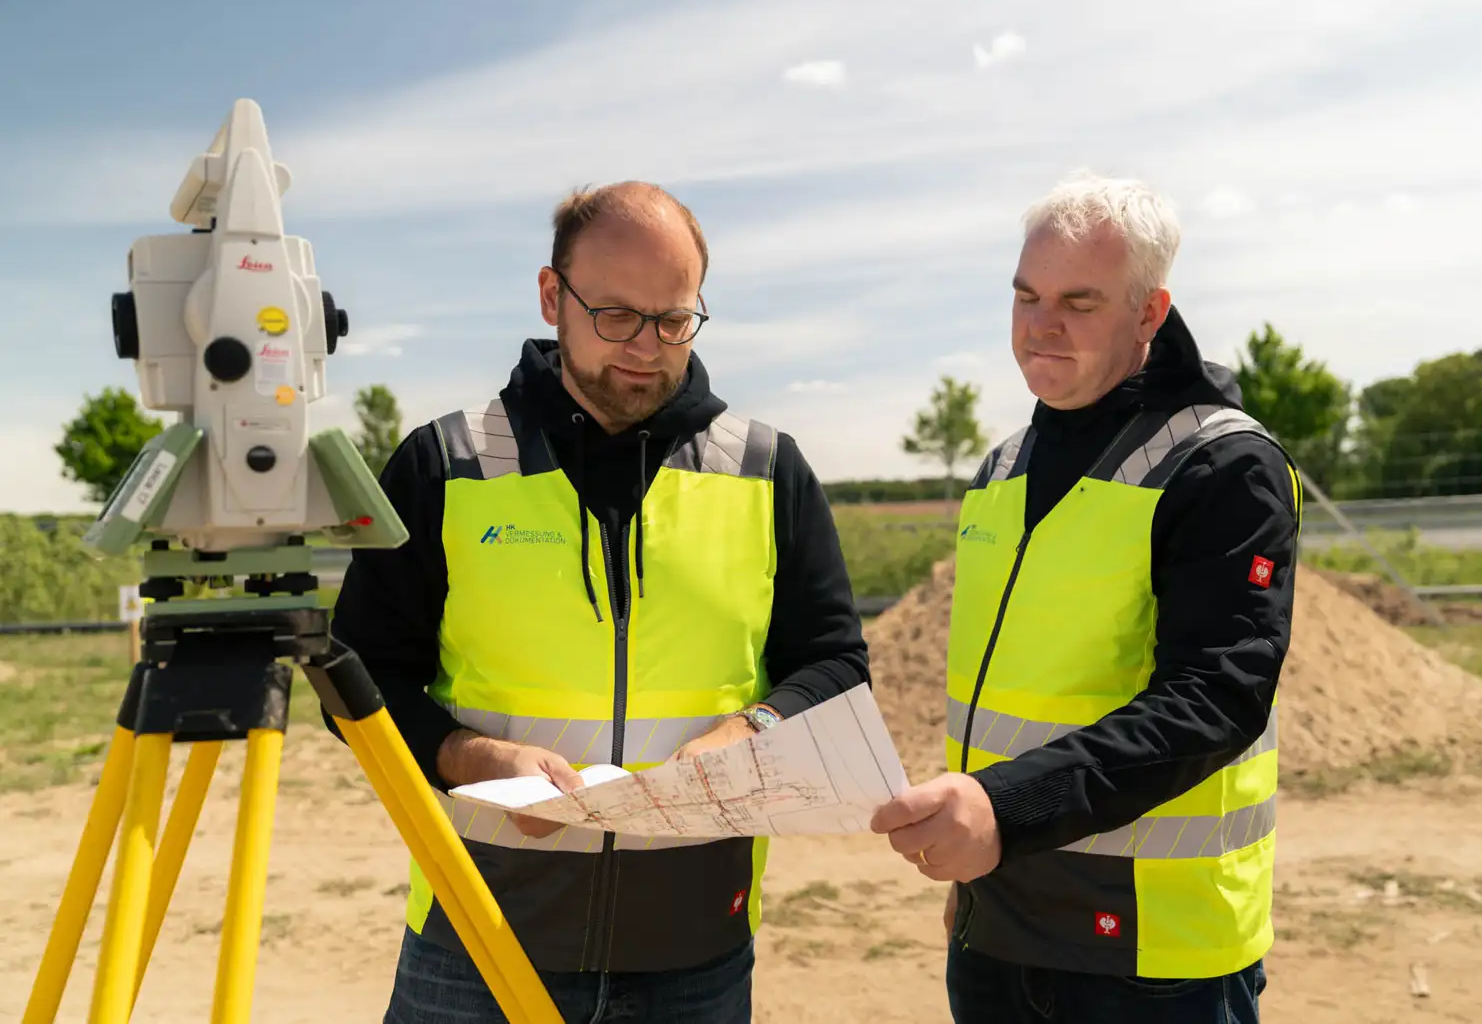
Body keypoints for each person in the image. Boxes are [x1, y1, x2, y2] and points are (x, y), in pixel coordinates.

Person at [327, 180, 870, 1023]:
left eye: (674, 318)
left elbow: (834, 665)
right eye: (615, 316)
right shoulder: (446, 465)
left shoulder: (767, 470)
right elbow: (358, 683)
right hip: (476, 932)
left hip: (697, 947)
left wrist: (744, 734)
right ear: (553, 297)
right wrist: (474, 758)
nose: (647, 347)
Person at [871, 170, 1300, 1023]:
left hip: (1151, 956)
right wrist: (984, 864)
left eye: (1079, 300)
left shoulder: (1221, 465)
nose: (1040, 326)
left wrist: (1003, 810)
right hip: (1002, 920)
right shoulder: (1002, 469)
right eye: (1026, 296)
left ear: (1149, 313)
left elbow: (1217, 696)